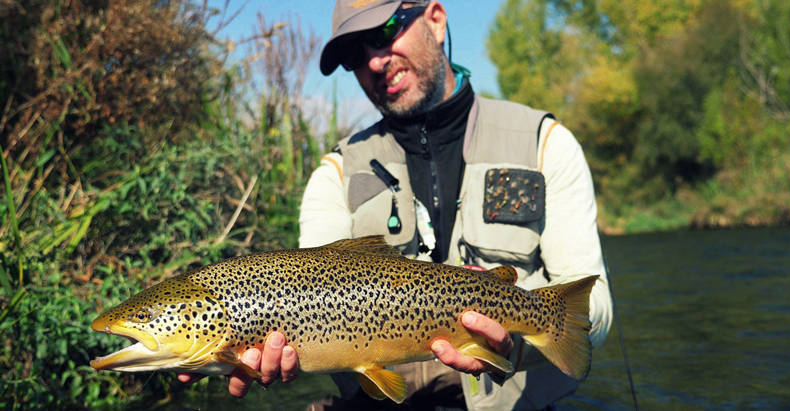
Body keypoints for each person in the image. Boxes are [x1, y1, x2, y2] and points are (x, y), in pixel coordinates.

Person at [181, 1, 613, 409]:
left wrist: (510, 340)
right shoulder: (333, 175)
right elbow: (305, 299)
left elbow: (593, 312)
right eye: (354, 51)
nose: (374, 60)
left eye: (386, 30)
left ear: (437, 20)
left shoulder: (544, 143)